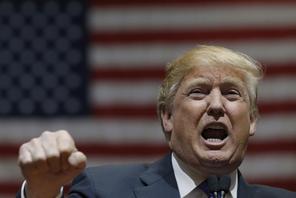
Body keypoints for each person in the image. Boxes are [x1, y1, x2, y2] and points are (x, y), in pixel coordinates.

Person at [17, 45, 295, 198]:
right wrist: (41, 194)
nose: (216, 105)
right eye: (198, 92)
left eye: (231, 94)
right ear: (168, 117)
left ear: (253, 120)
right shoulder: (102, 191)